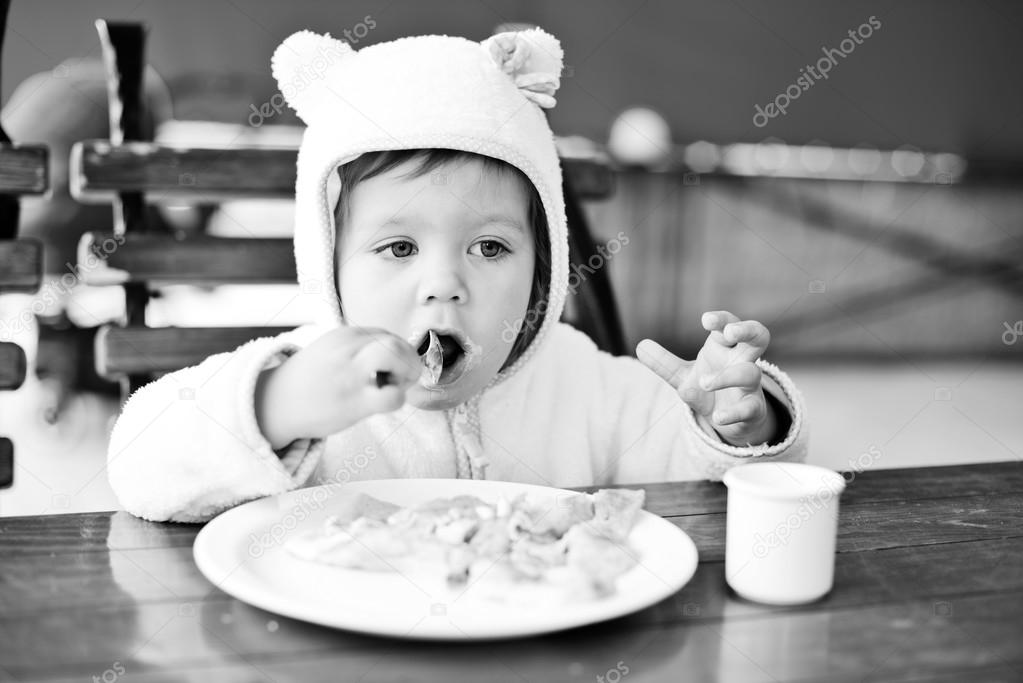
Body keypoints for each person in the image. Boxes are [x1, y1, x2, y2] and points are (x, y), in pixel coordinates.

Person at [107, 28, 807, 522]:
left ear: (543, 272)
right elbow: (139, 467)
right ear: (329, 268)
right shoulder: (307, 384)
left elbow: (722, 498)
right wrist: (275, 405)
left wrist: (736, 425)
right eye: (399, 248)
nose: (444, 284)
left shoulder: (590, 385)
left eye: (491, 248)